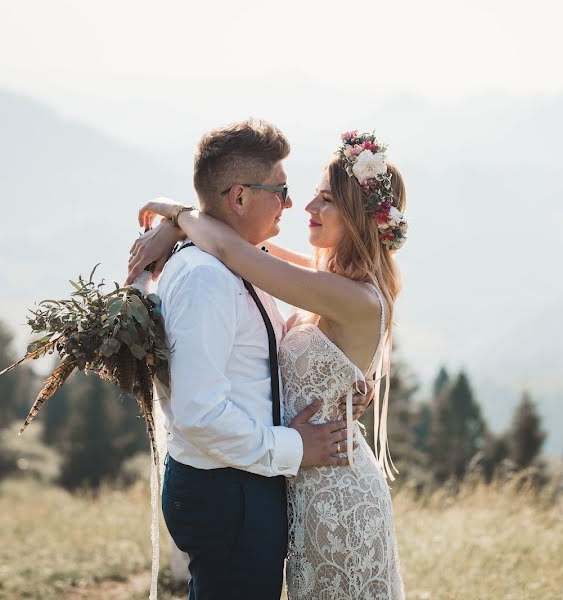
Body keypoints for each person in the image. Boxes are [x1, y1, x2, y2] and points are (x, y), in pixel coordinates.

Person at [128, 128, 408, 599]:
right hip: (298, 481)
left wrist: (173, 213)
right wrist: (175, 224)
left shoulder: (351, 296)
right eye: (301, 194)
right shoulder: (324, 278)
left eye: (326, 200)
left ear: (358, 218)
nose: (305, 208)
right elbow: (239, 242)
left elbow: (231, 248)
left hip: (339, 495)